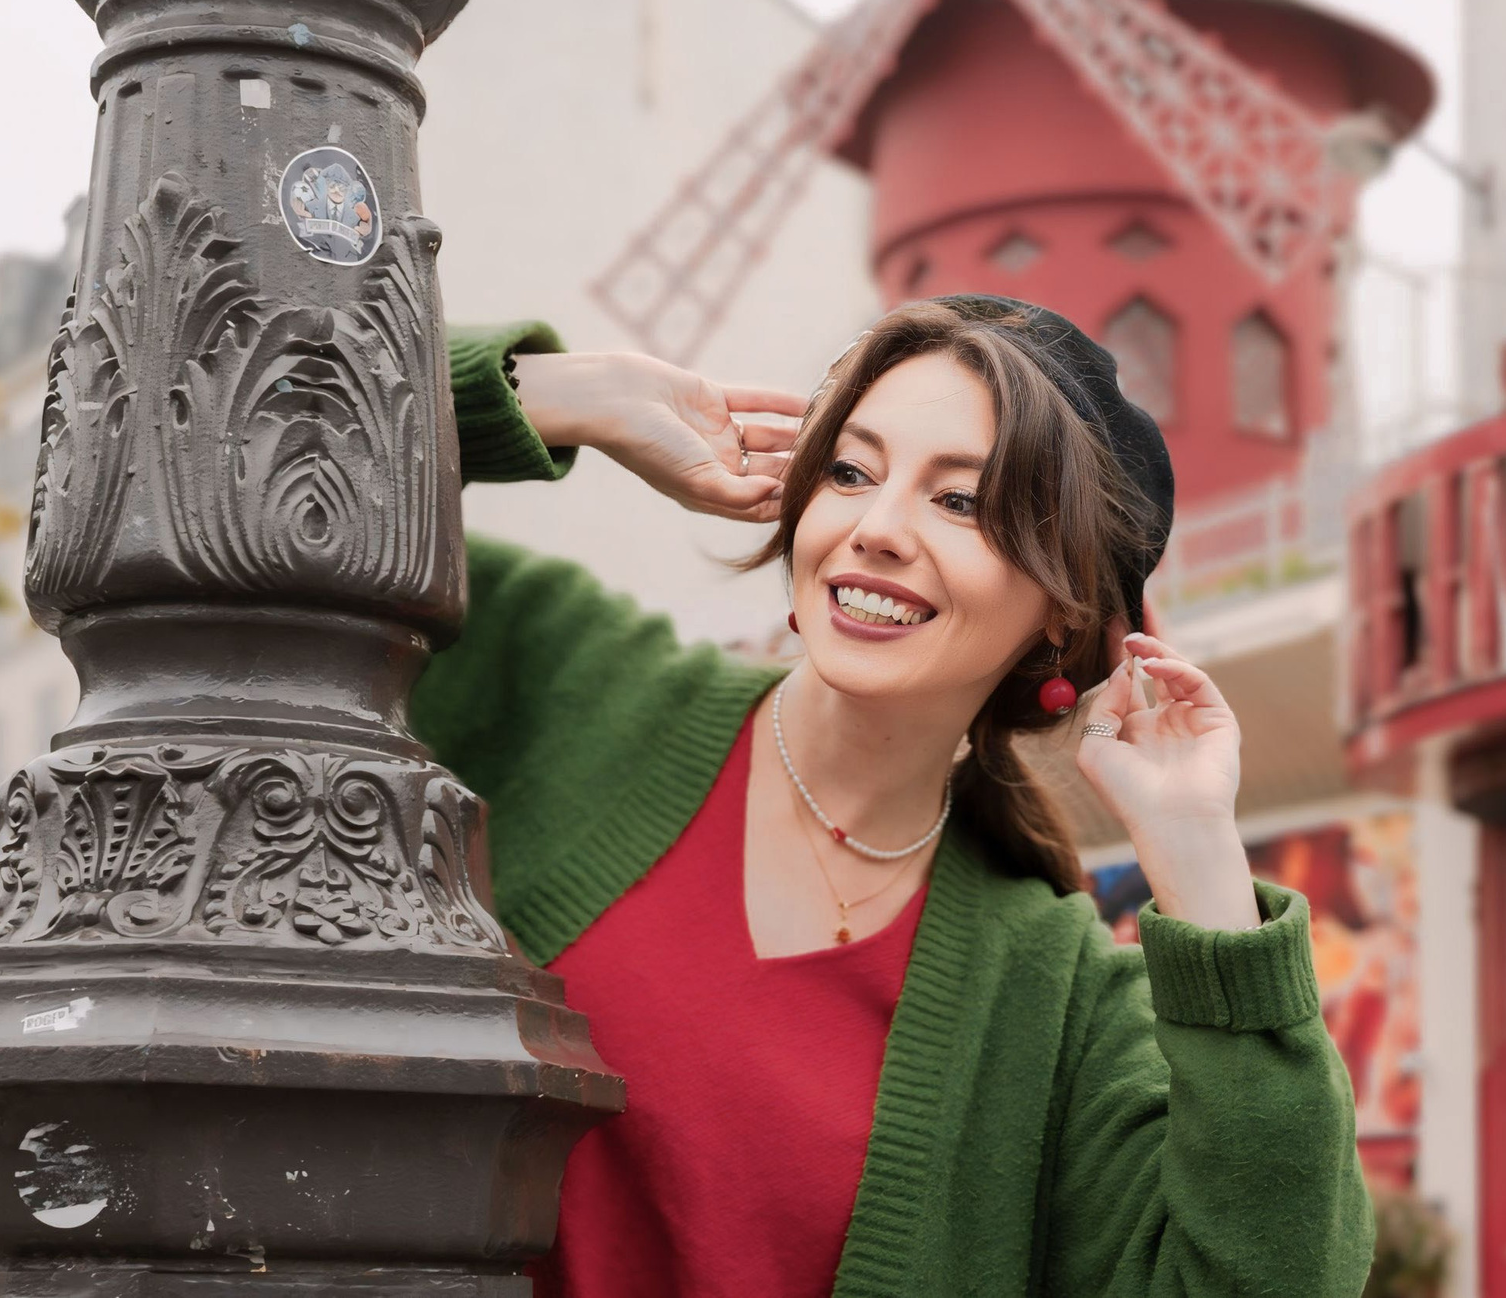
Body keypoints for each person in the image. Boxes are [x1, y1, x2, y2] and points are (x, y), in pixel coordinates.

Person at [414, 295, 1372, 1296]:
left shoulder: (1056, 1004)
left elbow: (1272, 1278)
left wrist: (1197, 854)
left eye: (959, 502)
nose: (876, 529)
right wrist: (556, 394)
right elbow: (296, 472)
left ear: (1065, 609)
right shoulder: (567, 681)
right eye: (850, 472)